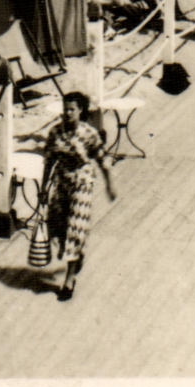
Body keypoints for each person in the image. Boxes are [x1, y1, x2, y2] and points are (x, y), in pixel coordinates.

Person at [40, 92, 116, 301]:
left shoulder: (88, 133)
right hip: (62, 182)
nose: (67, 113)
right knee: (55, 226)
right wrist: (43, 188)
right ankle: (76, 255)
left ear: (80, 110)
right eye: (65, 108)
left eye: (72, 109)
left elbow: (102, 157)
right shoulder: (55, 132)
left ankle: (69, 279)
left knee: (75, 228)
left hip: (82, 183)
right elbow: (48, 160)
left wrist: (110, 184)